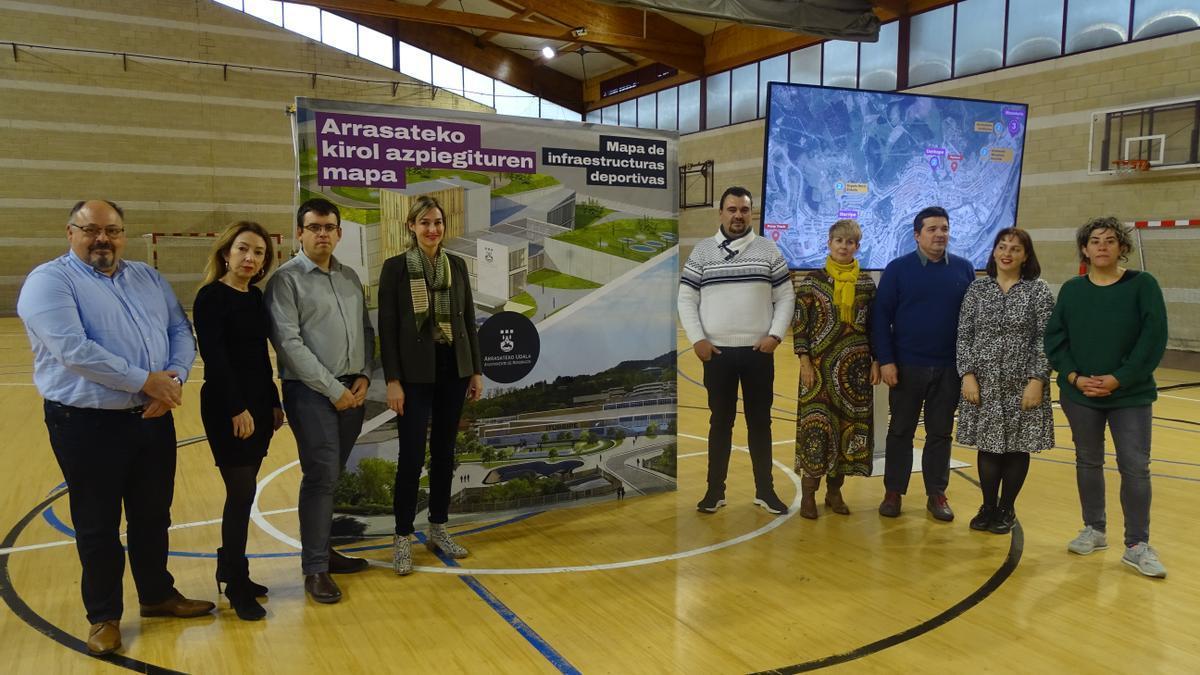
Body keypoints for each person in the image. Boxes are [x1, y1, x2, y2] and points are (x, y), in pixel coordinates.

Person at [17, 200, 213, 656]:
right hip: (86, 424)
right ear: (71, 232)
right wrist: (146, 381)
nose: (102, 238)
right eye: (91, 230)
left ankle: (157, 595)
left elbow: (180, 330)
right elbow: (73, 350)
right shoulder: (49, 282)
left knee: (152, 515)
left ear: (124, 234)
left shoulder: (146, 277)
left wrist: (174, 380)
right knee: (97, 523)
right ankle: (103, 616)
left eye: (112, 230)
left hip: (151, 417)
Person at [1045, 216, 1168, 578]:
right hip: (1080, 394)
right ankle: (1094, 530)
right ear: (1084, 249)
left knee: (1135, 467)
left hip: (1130, 395)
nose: (1102, 246)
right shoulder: (1072, 289)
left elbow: (1153, 339)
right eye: (1095, 241)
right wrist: (1073, 376)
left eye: (1110, 241)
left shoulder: (1143, 285)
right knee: (1088, 462)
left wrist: (1119, 379)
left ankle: (1137, 545)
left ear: (1122, 248)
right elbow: (1055, 339)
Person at [266, 198, 374, 603]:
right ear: (300, 232)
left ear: (339, 233)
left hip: (353, 390)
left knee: (332, 476)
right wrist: (334, 389)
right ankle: (315, 569)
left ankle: (324, 551)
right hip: (311, 394)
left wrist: (363, 374)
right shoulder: (286, 280)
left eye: (329, 227)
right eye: (314, 227)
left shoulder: (348, 277)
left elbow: (365, 329)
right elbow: (289, 345)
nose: (322, 234)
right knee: (320, 475)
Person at [378, 196, 483, 576]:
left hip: (453, 369)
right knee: (410, 458)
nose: (432, 229)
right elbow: (387, 330)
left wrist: (475, 370)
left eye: (437, 222)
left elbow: (469, 319)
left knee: (444, 454)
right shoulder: (395, 269)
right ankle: (403, 537)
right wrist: (392, 380)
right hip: (413, 375)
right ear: (411, 226)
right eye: (424, 223)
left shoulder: (456, 266)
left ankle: (438, 526)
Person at [678, 186, 795, 515]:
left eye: (744, 210)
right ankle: (715, 491)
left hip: (759, 354)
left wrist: (775, 335)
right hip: (717, 355)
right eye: (732, 209)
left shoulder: (768, 250)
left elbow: (785, 297)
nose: (738, 215)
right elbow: (687, 298)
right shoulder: (701, 252)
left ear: (751, 213)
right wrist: (697, 339)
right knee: (721, 422)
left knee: (760, 423)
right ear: (721, 213)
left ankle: (765, 491)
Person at [193, 221, 284, 620]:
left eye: (259, 253)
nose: (250, 258)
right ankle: (235, 581)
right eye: (243, 249)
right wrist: (236, 409)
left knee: (243, 494)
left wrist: (274, 402)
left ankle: (231, 566)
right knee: (241, 492)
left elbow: (260, 358)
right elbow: (216, 359)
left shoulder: (255, 298)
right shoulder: (211, 298)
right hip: (228, 408)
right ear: (226, 252)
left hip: (260, 407)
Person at [871, 206, 975, 521]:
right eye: (932, 229)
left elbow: (971, 322)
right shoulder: (898, 269)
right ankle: (893, 492)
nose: (939, 234)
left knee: (940, 434)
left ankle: (936, 494)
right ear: (917, 235)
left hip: (948, 369)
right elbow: (880, 318)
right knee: (900, 431)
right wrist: (886, 360)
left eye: (944, 228)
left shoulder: (964, 269)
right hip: (906, 367)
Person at [955, 228, 1055, 535]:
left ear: (1026, 256)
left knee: (1016, 448)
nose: (1007, 253)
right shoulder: (977, 289)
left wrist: (1038, 379)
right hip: (984, 383)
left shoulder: (1037, 291)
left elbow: (1046, 338)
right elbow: (964, 333)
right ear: (995, 251)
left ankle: (1007, 507)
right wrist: (967, 374)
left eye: (1015, 248)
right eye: (1002, 246)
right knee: (989, 447)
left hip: (1022, 383)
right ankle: (988, 505)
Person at [792, 219, 879, 519]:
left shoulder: (866, 284)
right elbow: (800, 325)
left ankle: (834, 491)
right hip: (817, 372)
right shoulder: (813, 282)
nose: (844, 246)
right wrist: (804, 361)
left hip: (855, 373)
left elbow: (874, 327)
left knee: (846, 431)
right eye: (839, 241)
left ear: (857, 246)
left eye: (850, 242)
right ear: (829, 243)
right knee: (816, 430)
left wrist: (876, 361)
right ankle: (808, 495)